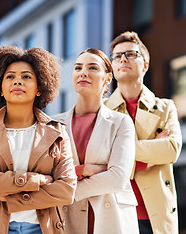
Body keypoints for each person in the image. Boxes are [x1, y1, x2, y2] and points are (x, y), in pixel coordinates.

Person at [0, 46, 77, 234]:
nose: (17, 80)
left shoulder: (57, 132)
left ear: (39, 88)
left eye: (26, 77)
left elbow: (66, 190)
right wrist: (37, 180)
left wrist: (6, 193)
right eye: (10, 77)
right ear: (0, 88)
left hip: (42, 229)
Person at [53, 48, 139, 234]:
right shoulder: (52, 125)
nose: (83, 72)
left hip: (110, 219)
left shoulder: (121, 122)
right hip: (65, 220)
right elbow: (48, 176)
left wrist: (71, 187)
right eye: (78, 68)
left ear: (107, 79)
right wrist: (96, 169)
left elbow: (117, 178)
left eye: (92, 67)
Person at [105, 31, 182, 234]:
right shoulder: (101, 110)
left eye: (130, 54)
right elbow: (101, 160)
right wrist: (149, 159)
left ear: (145, 65)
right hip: (114, 213)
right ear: (112, 67)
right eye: (117, 56)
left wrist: (121, 154)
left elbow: (171, 149)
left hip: (154, 216)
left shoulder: (165, 107)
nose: (123, 59)